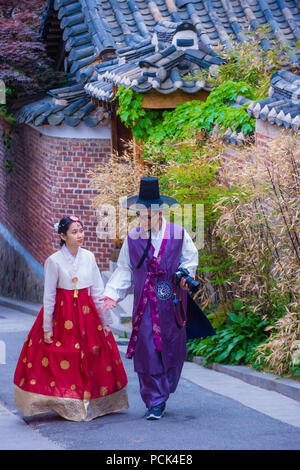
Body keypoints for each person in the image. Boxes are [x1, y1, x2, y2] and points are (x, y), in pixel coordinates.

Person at [100, 177, 199, 420]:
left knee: (173, 348)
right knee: (146, 348)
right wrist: (112, 295)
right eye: (139, 214)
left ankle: (164, 388)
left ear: (158, 212)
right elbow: (124, 269)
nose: (142, 219)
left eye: (146, 215)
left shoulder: (178, 233)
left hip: (172, 303)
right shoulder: (133, 238)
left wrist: (186, 275)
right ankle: (154, 401)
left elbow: (189, 259)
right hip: (145, 304)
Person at [14, 215, 129, 422]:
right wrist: (47, 327)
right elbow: (49, 296)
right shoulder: (53, 261)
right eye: (74, 232)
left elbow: (97, 290)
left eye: (81, 230)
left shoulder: (89, 257)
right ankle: (66, 402)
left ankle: (91, 402)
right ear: (63, 236)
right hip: (62, 313)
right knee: (64, 356)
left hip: (87, 314)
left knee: (92, 354)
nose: (80, 235)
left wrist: (105, 321)